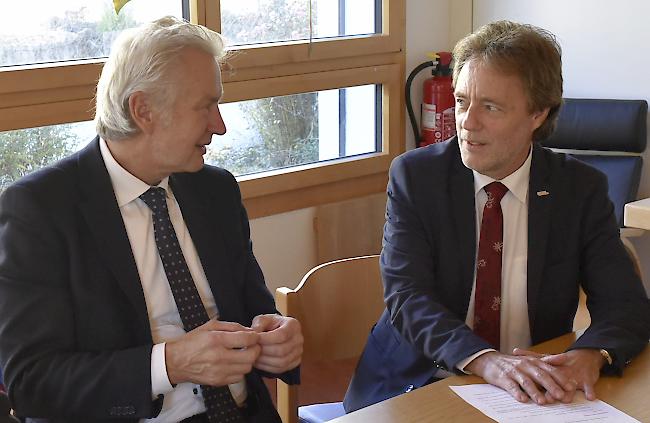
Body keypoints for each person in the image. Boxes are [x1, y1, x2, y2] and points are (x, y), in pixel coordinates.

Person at [0, 16, 303, 423]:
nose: (221, 125)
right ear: (143, 110)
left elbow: (254, 312)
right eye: (206, 106)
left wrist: (275, 341)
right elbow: (33, 382)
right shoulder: (39, 210)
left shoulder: (215, 190)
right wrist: (171, 363)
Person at [344, 20, 650, 412]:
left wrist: (590, 355)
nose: (468, 122)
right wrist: (486, 360)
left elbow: (625, 305)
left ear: (538, 113)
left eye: (490, 107)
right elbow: (408, 297)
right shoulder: (417, 178)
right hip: (420, 380)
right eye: (461, 101)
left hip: (530, 391)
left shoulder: (578, 190)